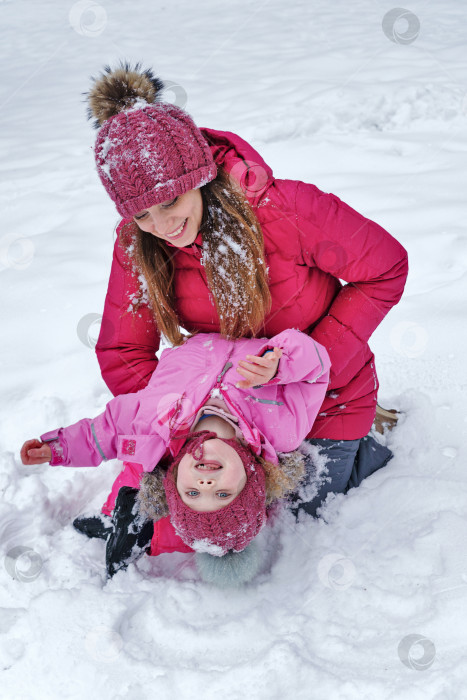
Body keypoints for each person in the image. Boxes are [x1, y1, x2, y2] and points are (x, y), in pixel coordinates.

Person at [89, 62, 408, 518]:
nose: (161, 228)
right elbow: (123, 349)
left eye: (169, 202)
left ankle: (365, 445)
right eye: (141, 215)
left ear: (196, 177)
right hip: (221, 418)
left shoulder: (283, 209)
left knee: (295, 518)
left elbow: (386, 267)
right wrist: (182, 422)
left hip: (321, 402)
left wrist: (309, 362)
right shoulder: (137, 244)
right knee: (209, 513)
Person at [21, 329, 331, 584]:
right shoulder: (282, 430)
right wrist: (280, 364)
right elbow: (318, 367)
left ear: (175, 478)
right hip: (258, 320)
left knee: (138, 463)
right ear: (251, 478)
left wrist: (57, 448)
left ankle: (126, 522)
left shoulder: (153, 426)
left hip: (199, 329)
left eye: (193, 491)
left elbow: (105, 432)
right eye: (222, 492)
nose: (207, 482)